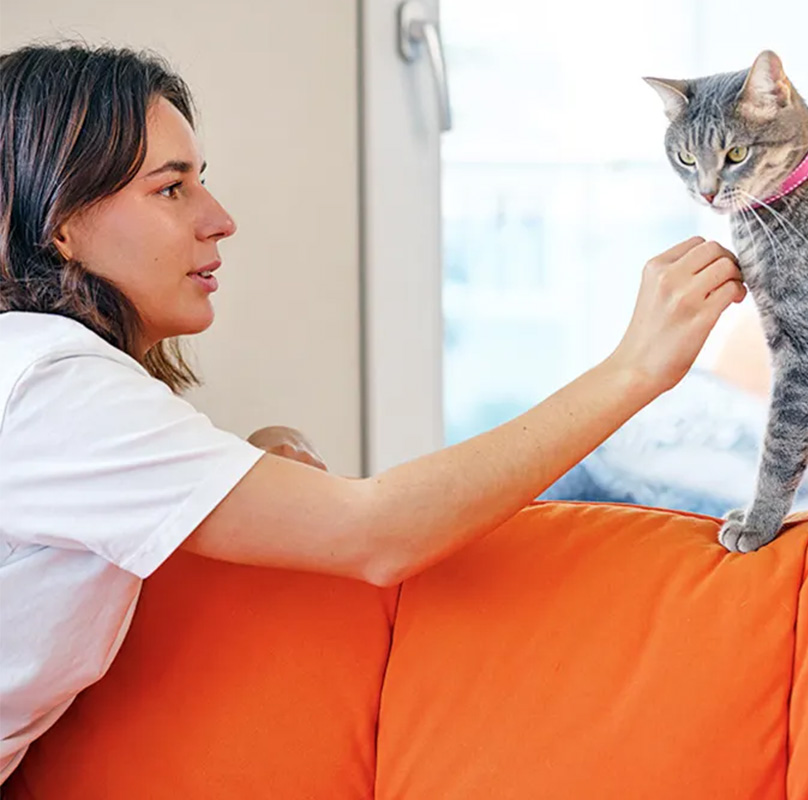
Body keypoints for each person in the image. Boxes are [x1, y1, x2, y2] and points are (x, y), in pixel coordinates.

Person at [0, 43, 745, 782]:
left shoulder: (40, 376)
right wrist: (635, 369)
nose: (220, 219)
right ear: (61, 221)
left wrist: (254, 459)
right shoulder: (53, 385)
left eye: (202, 182)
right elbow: (377, 533)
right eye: (171, 189)